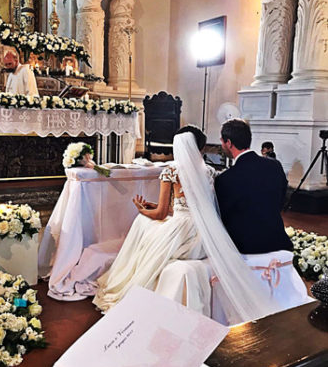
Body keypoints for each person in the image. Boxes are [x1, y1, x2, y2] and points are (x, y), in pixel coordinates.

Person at [93, 125, 212, 312]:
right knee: (148, 223)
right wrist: (154, 207)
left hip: (181, 232)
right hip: (203, 233)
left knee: (142, 223)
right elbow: (187, 207)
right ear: (201, 147)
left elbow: (161, 214)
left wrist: (142, 210)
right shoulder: (209, 172)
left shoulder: (172, 171)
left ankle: (129, 273)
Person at [215, 119, 292, 254]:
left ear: (229, 142)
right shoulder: (275, 166)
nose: (222, 144)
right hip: (278, 242)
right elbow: (282, 200)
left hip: (245, 249)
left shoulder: (225, 179)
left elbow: (224, 219)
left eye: (222, 141)